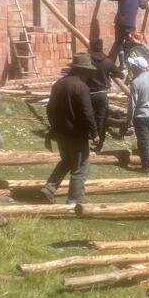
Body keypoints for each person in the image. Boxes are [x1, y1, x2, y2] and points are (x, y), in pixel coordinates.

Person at [40, 52, 98, 204]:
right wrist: (95, 133)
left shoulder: (58, 84)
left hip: (60, 133)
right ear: (83, 70)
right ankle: (74, 201)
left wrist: (53, 128)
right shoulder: (81, 87)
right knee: (80, 167)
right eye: (88, 72)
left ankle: (49, 188)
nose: (89, 75)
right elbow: (87, 113)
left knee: (66, 161)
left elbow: (49, 109)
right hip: (77, 134)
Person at [99, 0, 148, 67]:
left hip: (120, 23)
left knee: (119, 42)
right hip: (131, 25)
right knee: (129, 43)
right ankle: (127, 62)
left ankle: (122, 63)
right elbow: (144, 6)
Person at [87, 37, 123, 152]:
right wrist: (109, 73)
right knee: (101, 119)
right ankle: (100, 145)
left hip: (88, 94)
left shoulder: (87, 60)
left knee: (88, 117)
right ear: (101, 47)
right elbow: (121, 75)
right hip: (102, 94)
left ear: (91, 47)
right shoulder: (107, 62)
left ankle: (89, 139)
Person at [126, 55, 149, 174]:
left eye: (133, 66)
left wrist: (129, 119)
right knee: (147, 136)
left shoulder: (136, 82)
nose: (131, 67)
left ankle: (147, 166)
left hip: (142, 115)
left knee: (143, 140)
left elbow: (132, 104)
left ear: (137, 68)